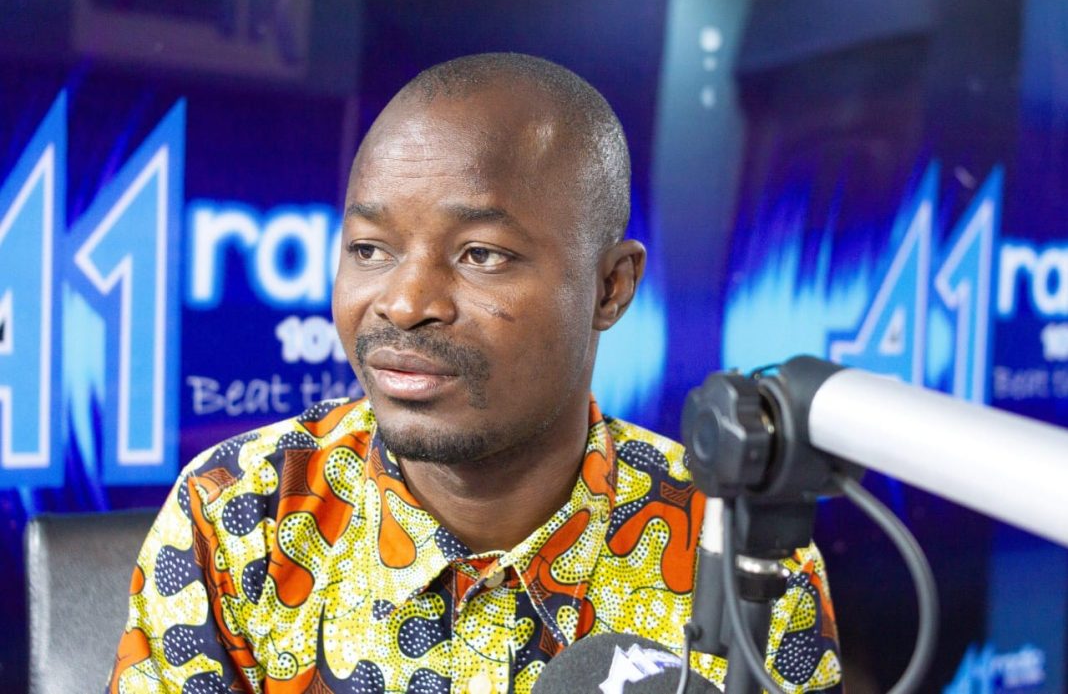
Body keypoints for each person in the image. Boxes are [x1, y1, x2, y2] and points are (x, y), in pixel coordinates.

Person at [108, 53, 840, 694]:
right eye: (369, 249)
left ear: (610, 287)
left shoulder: (743, 556)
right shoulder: (243, 516)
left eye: (481, 254)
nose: (404, 303)